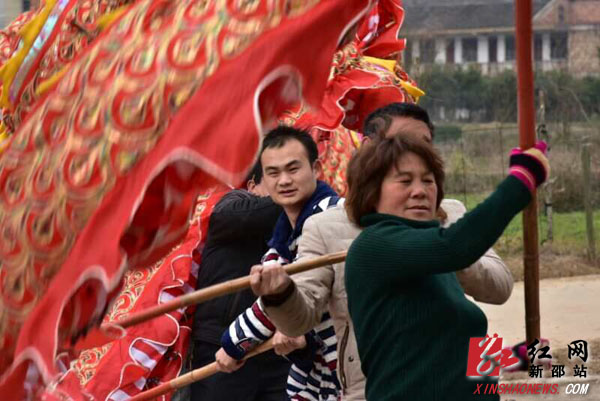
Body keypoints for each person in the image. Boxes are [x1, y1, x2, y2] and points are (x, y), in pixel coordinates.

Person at [248, 103, 512, 401]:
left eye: (425, 145)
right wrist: (280, 293)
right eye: (401, 145)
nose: (416, 156)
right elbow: (299, 317)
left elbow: (500, 286)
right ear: (371, 153)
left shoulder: (450, 215)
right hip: (376, 388)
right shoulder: (328, 228)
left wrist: (450, 251)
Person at [344, 135, 548, 400]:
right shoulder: (375, 244)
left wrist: (512, 357)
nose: (420, 191)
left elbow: (439, 356)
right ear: (372, 192)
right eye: (405, 181)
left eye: (428, 181)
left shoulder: (431, 259)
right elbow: (456, 245)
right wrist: (520, 182)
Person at [215, 126, 343, 401]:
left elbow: (285, 293)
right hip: (321, 371)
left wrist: (233, 343)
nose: (284, 180)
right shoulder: (281, 242)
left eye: (293, 169)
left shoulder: (333, 215)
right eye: (273, 173)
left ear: (316, 169)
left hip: (353, 364)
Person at [190, 162, 289, 401]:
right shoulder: (231, 204)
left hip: (276, 350)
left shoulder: (299, 225)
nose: (285, 184)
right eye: (274, 177)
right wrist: (300, 195)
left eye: (292, 174)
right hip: (221, 346)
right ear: (252, 186)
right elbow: (255, 215)